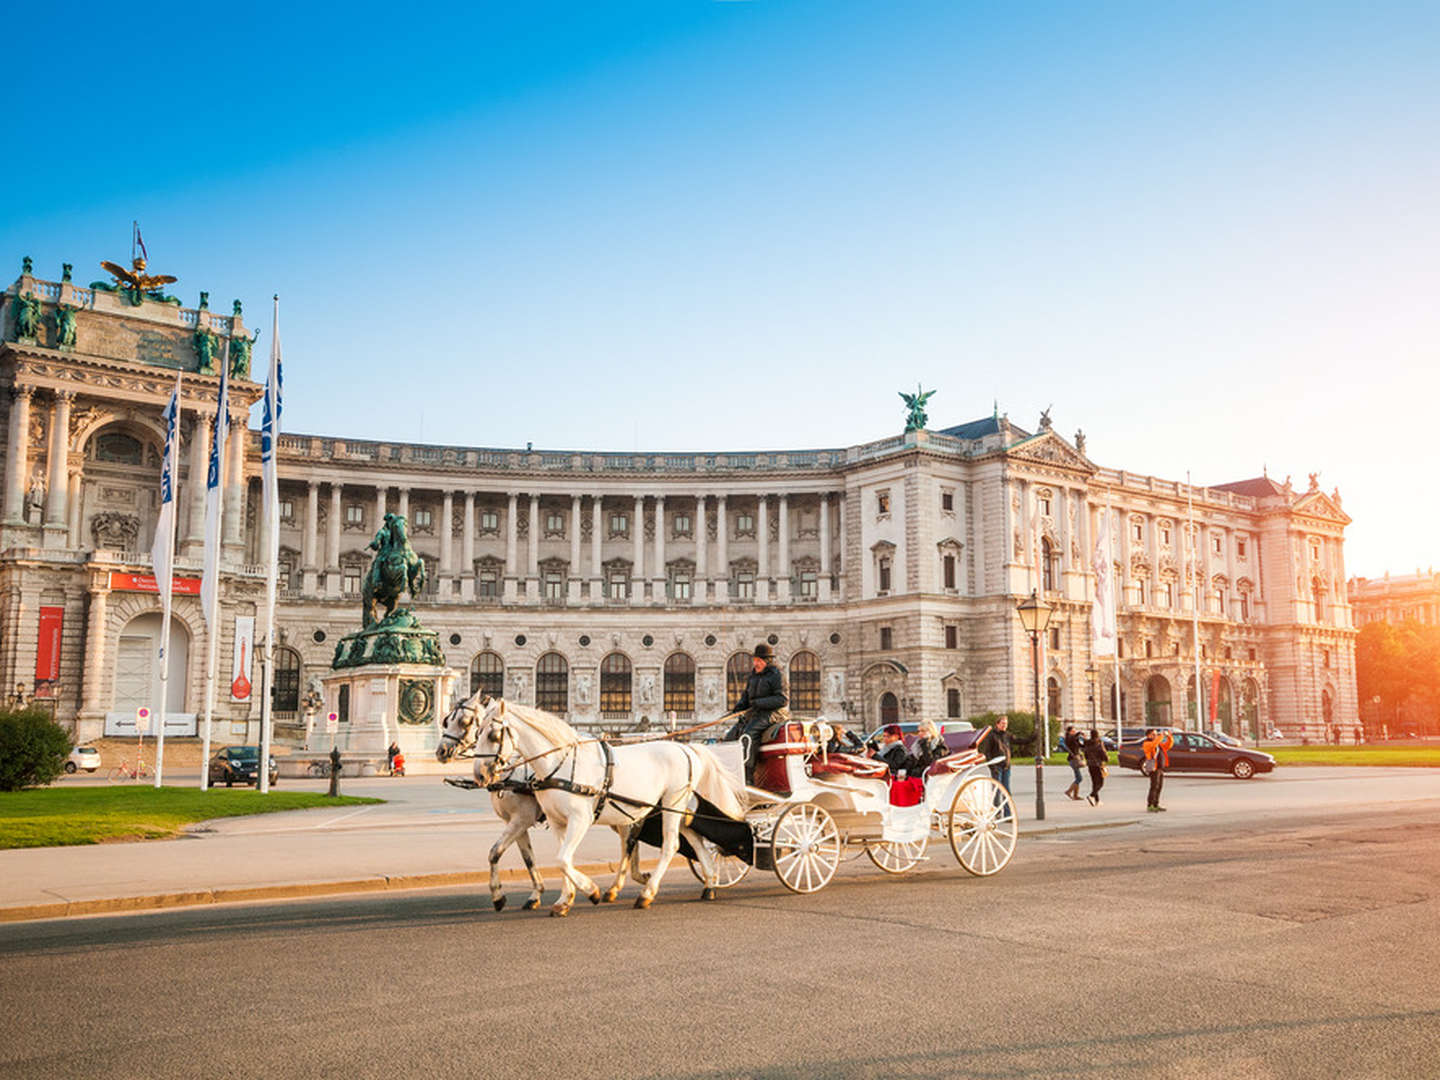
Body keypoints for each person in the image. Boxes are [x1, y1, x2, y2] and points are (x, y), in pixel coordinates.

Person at [726, 643, 788, 783]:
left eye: (759, 661)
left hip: (774, 714)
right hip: (756, 713)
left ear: (767, 661)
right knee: (731, 736)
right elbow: (747, 696)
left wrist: (759, 703)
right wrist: (739, 706)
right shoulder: (753, 676)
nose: (756, 664)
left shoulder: (776, 675)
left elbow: (782, 699)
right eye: (754, 660)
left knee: (748, 735)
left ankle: (747, 775)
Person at [974, 716, 1012, 818]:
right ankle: (997, 812)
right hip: (997, 766)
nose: (1005, 725)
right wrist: (992, 767)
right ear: (997, 724)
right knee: (997, 791)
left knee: (1007, 791)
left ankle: (1008, 814)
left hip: (1006, 766)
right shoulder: (992, 736)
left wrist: (1033, 737)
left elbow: (1020, 740)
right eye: (1003, 723)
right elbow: (988, 752)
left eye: (1006, 723)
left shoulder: (1007, 735)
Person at [1142, 728, 1174, 812]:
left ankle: (1156, 804)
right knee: (1154, 786)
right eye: (1153, 734)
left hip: (1160, 768)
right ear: (1148, 735)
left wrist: (1169, 737)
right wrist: (1161, 735)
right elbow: (1153, 745)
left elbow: (1168, 745)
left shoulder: (1158, 744)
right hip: (1153, 767)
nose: (1155, 736)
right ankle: (1150, 805)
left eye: (1156, 734)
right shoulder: (1147, 743)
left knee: (1159, 787)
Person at [1083, 728, 1108, 805]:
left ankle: (1097, 800)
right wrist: (1106, 758)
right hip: (1098, 764)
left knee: (1094, 782)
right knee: (1100, 783)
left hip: (1090, 765)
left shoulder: (1087, 743)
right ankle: (1092, 795)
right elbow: (1103, 753)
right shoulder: (1099, 743)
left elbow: (1086, 754)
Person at [1062, 723, 1084, 801]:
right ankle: (1069, 791)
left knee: (1078, 777)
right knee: (1079, 778)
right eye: (1073, 731)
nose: (1074, 732)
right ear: (1069, 732)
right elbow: (1073, 738)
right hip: (1073, 759)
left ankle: (1075, 795)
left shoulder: (1073, 738)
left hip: (1075, 759)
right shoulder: (1068, 738)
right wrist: (1079, 733)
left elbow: (1080, 745)